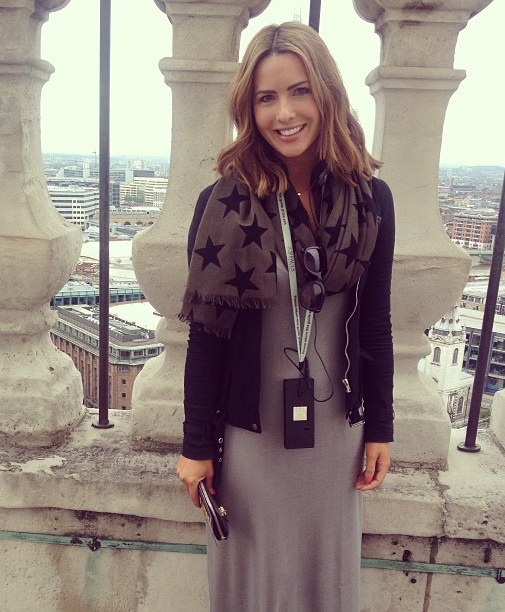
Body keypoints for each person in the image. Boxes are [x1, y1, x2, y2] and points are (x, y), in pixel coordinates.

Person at [176, 21, 394, 612]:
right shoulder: (223, 204)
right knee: (253, 584)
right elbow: (205, 339)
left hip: (337, 433)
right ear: (248, 109)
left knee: (325, 582)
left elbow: (375, 324)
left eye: (300, 91)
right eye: (266, 97)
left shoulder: (371, 200)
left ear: (327, 94)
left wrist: (381, 426)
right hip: (251, 438)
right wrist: (196, 445)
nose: (284, 113)